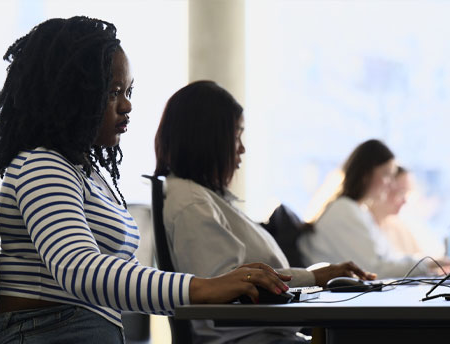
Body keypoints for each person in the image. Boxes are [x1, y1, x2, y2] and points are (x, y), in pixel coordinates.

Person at [0, 17, 290, 344]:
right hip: (45, 334)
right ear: (73, 94)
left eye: (128, 91)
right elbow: (79, 269)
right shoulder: (41, 165)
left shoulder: (81, 173)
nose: (127, 105)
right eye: (113, 92)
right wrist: (203, 287)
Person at [154, 80, 376, 344]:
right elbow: (230, 289)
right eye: (236, 135)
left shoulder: (203, 198)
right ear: (208, 138)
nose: (242, 148)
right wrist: (316, 277)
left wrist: (317, 277)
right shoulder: (192, 204)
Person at [298, 139, 438, 279]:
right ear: (366, 174)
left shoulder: (360, 211)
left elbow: (388, 260)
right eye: (386, 174)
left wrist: (430, 263)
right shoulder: (344, 210)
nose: (391, 184)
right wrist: (428, 264)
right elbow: (374, 270)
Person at [370, 166, 424, 256]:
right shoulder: (362, 225)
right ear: (384, 187)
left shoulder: (399, 226)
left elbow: (423, 259)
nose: (404, 201)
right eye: (401, 192)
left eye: (406, 193)